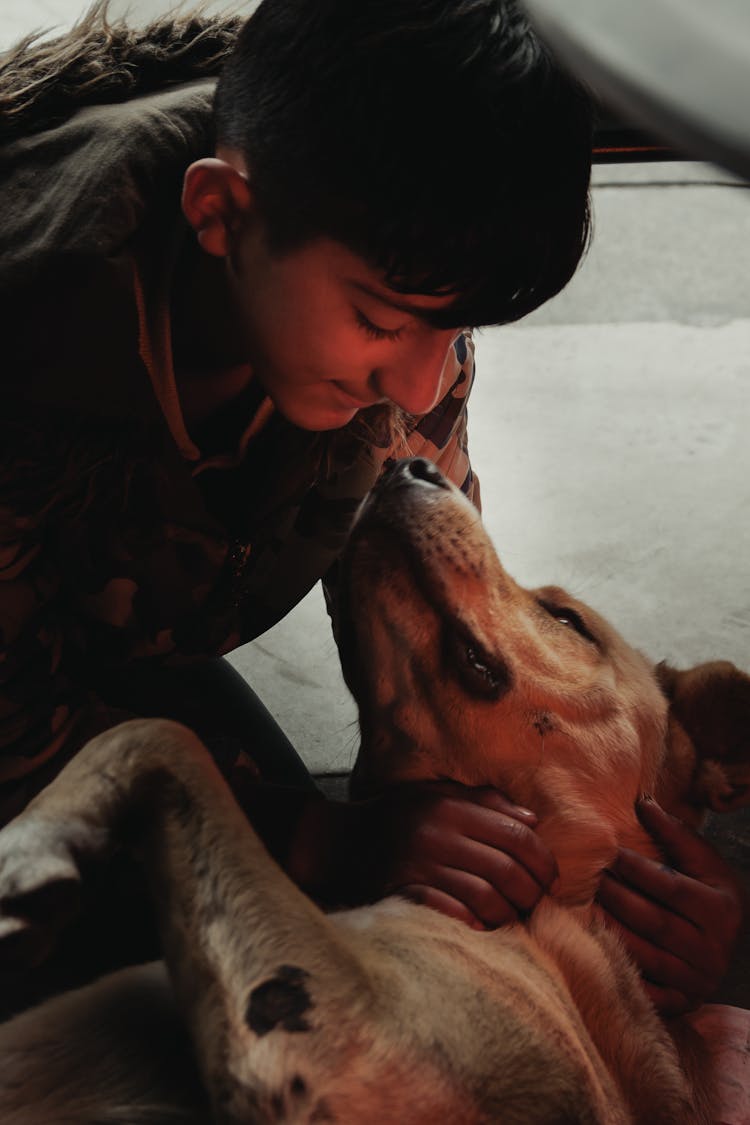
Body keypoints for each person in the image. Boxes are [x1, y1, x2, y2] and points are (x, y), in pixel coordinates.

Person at [0, 0, 741, 1016]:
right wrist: (320, 838)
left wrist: (649, 859)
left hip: (125, 637)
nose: (426, 387)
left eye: (456, 330)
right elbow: (15, 732)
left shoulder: (374, 246)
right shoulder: (31, 341)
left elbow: (440, 605)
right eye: (382, 321)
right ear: (218, 214)